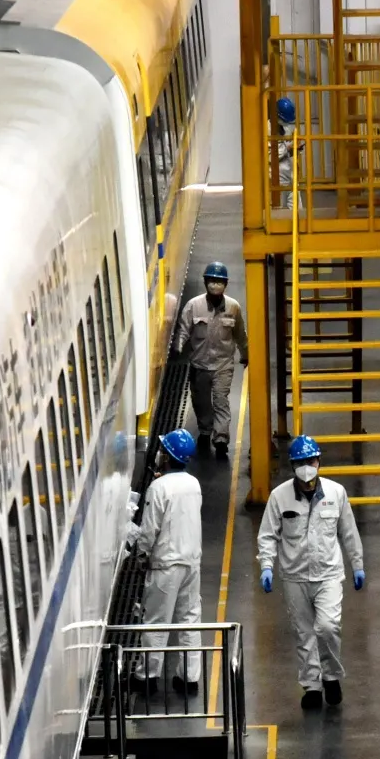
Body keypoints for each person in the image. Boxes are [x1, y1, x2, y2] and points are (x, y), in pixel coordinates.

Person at [256, 434, 364, 710]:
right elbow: (268, 535)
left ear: (319, 462)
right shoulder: (279, 497)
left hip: (328, 574)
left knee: (327, 628)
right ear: (293, 465)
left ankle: (331, 676)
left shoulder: (336, 493)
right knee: (303, 633)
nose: (307, 466)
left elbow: (349, 532)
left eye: (311, 460)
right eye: (301, 462)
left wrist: (357, 565)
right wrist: (267, 566)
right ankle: (311, 686)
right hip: (295, 576)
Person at [128, 429, 203, 696]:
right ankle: (189, 678)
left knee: (156, 621)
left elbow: (150, 529)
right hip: (191, 562)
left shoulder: (158, 487)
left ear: (168, 456)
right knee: (189, 620)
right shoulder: (194, 484)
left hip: (165, 565)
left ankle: (147, 675)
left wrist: (141, 554)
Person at [175, 262, 250, 457]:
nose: (215, 285)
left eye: (219, 282)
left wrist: (246, 354)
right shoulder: (194, 306)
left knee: (220, 401)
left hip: (223, 365)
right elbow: (184, 329)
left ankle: (221, 439)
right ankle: (205, 430)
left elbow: (240, 334)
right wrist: (178, 347)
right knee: (200, 402)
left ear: (226, 284)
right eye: (212, 281)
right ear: (205, 282)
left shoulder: (233, 307)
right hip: (199, 364)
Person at [273, 96, 297, 212]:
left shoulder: (283, 128)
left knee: (297, 208)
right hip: (278, 177)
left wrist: (292, 150)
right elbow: (271, 154)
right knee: (279, 210)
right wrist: (288, 147)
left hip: (289, 174)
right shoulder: (269, 129)